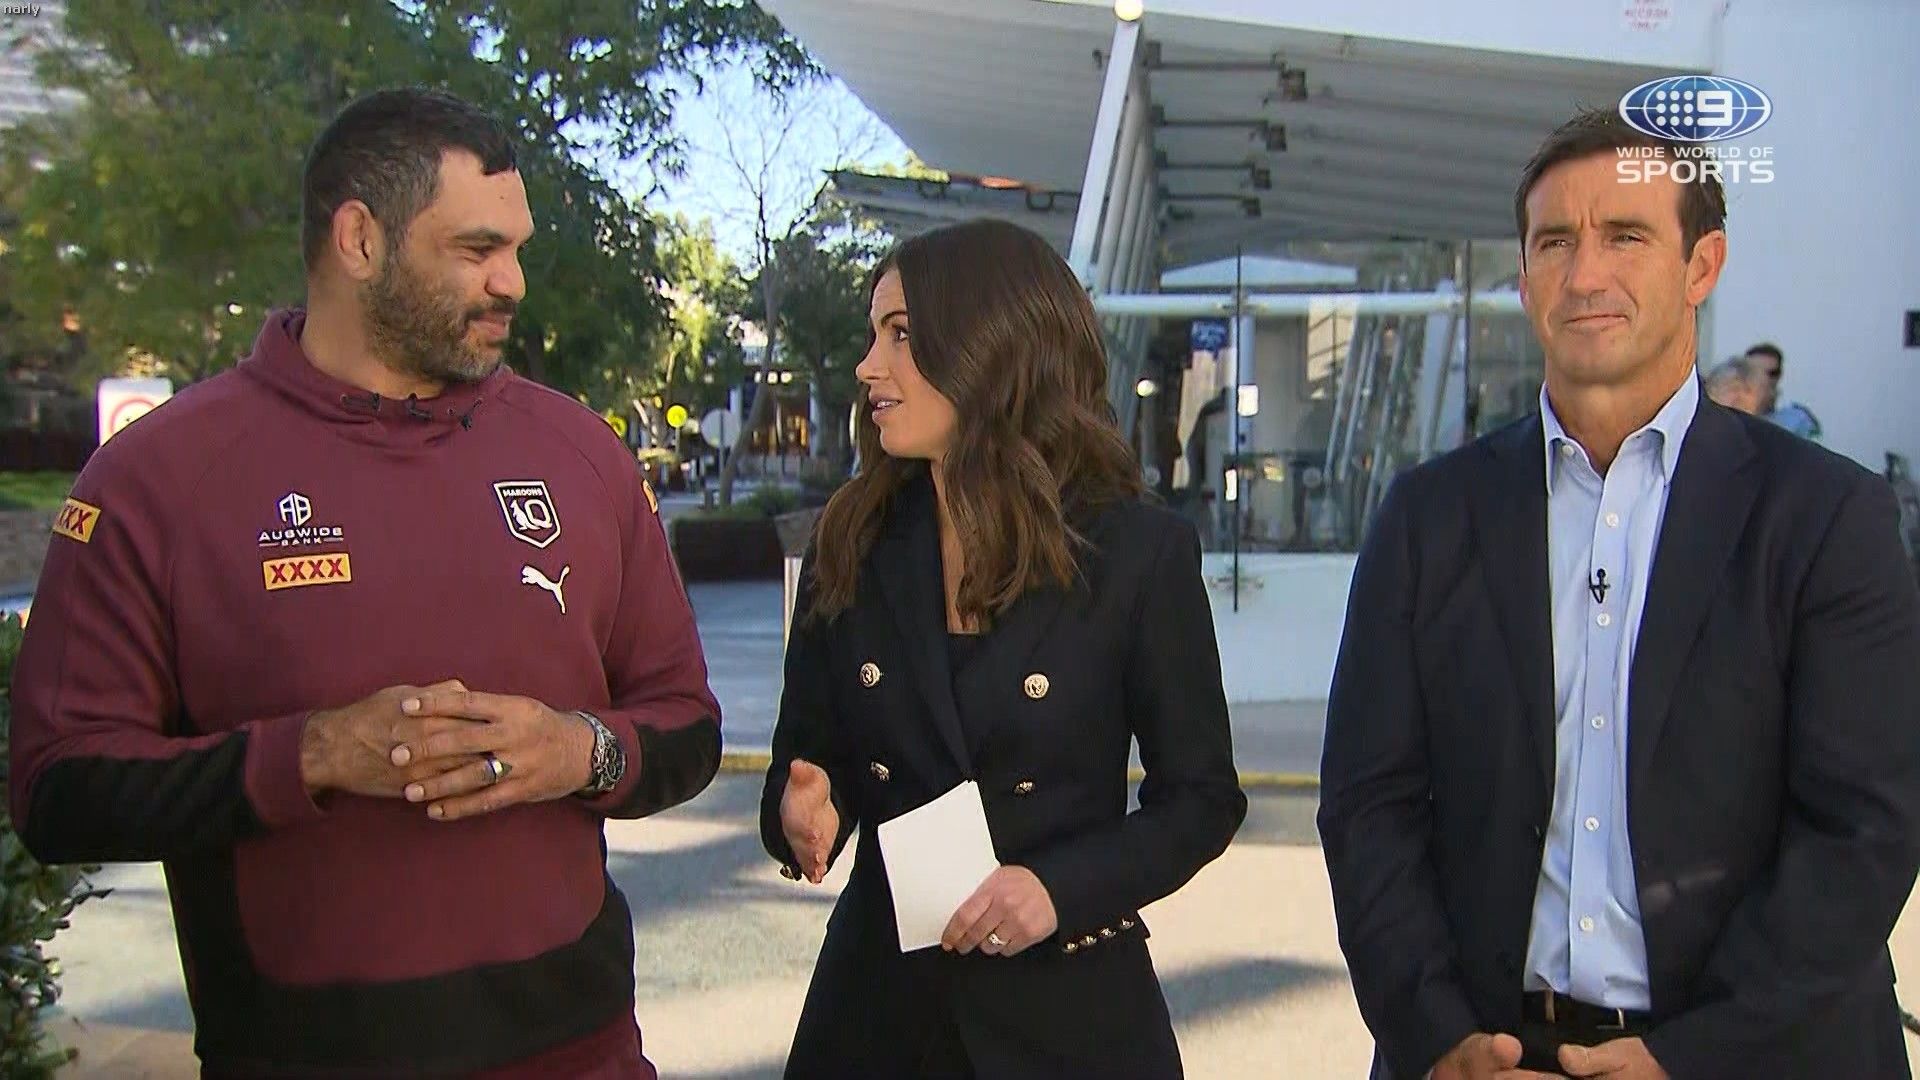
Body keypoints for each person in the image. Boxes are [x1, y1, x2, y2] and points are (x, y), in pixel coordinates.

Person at [8, 87, 722, 1078]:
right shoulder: (154, 478)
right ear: (359, 240)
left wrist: (578, 751)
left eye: (517, 249)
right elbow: (57, 792)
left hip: (585, 1050)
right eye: (477, 249)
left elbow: (688, 725)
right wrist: (311, 755)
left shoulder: (581, 454)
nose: (513, 283)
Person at [1319, 107, 1920, 1080]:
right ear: (1524, 277)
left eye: (1627, 237)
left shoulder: (1826, 520)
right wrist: (1437, 1036)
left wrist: (1688, 1057)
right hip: (1490, 1056)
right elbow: (1367, 806)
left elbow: (1864, 831)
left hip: (1753, 1056)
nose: (1585, 274)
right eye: (1555, 241)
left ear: (1702, 265)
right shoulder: (1427, 518)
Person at [760, 218, 1246, 1079]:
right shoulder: (852, 540)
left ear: (990, 346)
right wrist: (804, 810)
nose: (869, 367)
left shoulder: (1138, 553)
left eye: (901, 335)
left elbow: (1200, 801)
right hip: (876, 1020)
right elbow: (807, 759)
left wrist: (1058, 891)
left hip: (1071, 1021)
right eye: (873, 336)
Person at [1745, 342, 1822, 440]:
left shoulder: (1798, 420)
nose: (1763, 380)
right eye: (1754, 372)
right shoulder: (1732, 421)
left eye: (1772, 374)